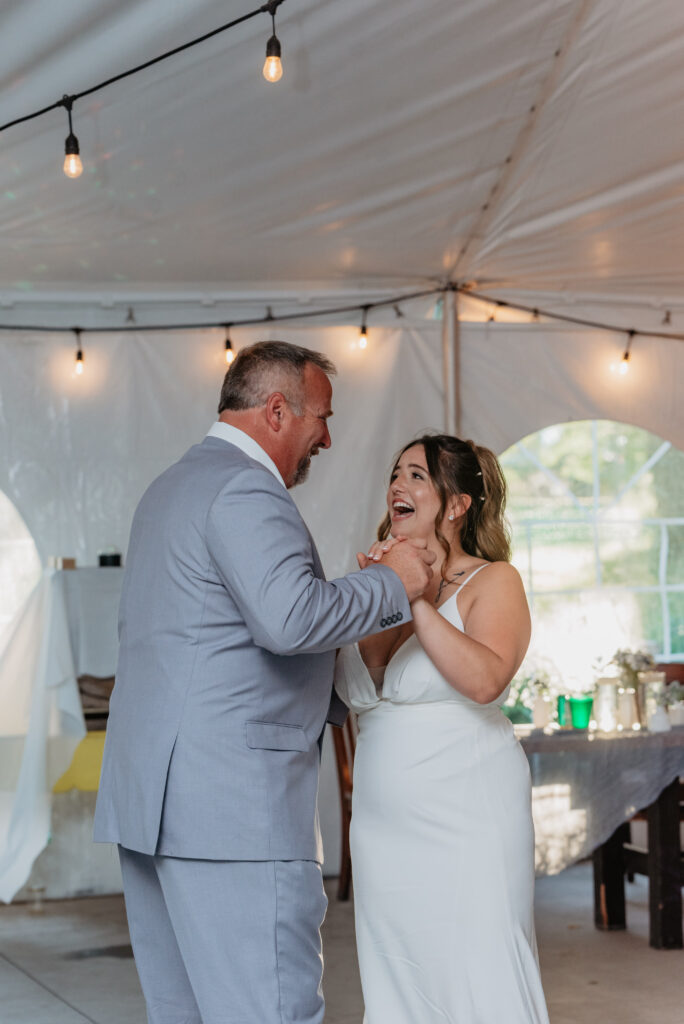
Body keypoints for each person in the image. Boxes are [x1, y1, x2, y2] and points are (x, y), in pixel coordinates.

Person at [93, 341, 435, 1024]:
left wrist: (347, 679)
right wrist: (391, 582)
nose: (328, 439)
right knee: (267, 1011)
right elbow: (289, 618)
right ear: (277, 410)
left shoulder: (169, 488)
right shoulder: (247, 487)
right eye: (322, 419)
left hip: (153, 804)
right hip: (230, 812)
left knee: (184, 1012)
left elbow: (213, 645)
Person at [335, 433, 549, 1024]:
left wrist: (422, 600)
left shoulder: (495, 580)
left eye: (416, 476)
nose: (397, 486)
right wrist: (386, 589)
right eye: (395, 474)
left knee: (478, 966)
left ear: (457, 504)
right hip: (384, 823)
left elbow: (486, 681)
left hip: (468, 815)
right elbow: (364, 682)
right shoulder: (380, 571)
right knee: (400, 971)